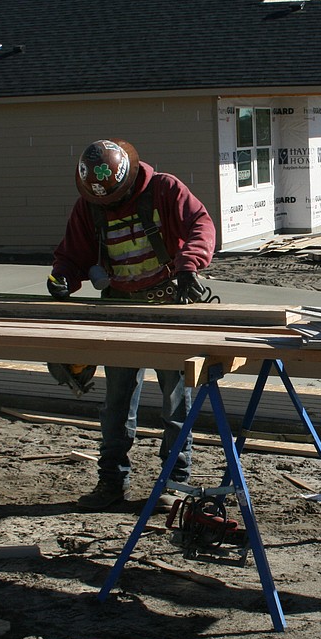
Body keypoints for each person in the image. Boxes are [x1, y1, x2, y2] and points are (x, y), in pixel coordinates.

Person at [47, 139, 216, 511]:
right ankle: (111, 483)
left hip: (168, 304)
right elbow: (71, 256)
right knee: (117, 403)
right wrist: (62, 277)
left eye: (113, 199)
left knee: (176, 403)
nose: (107, 206)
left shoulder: (164, 190)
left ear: (127, 179)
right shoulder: (89, 206)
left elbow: (200, 224)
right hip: (119, 308)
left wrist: (189, 265)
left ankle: (175, 483)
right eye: (102, 202)